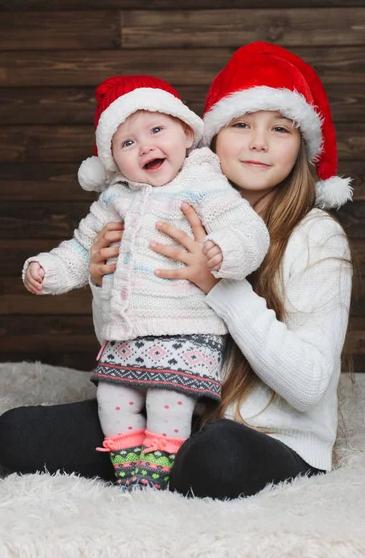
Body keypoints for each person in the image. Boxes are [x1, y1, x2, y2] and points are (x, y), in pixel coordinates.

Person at [0, 42, 353, 501]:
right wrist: (103, 281)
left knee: (215, 457)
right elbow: (130, 338)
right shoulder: (163, 204)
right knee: (13, 435)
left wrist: (216, 282)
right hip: (174, 406)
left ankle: (167, 462)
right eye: (241, 124)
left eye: (280, 128)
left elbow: (309, 385)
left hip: (267, 436)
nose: (258, 142)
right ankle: (153, 457)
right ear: (208, 137)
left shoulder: (317, 236)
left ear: (301, 146)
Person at [21, 75, 270, 490]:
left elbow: (246, 228)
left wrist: (226, 250)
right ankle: (129, 473)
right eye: (128, 143)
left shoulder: (204, 184)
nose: (146, 146)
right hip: (126, 334)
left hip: (185, 331)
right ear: (114, 160)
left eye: (157, 130)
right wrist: (47, 270)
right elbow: (82, 250)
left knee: (166, 404)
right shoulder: (114, 199)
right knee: (111, 400)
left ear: (187, 132)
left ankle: (156, 474)